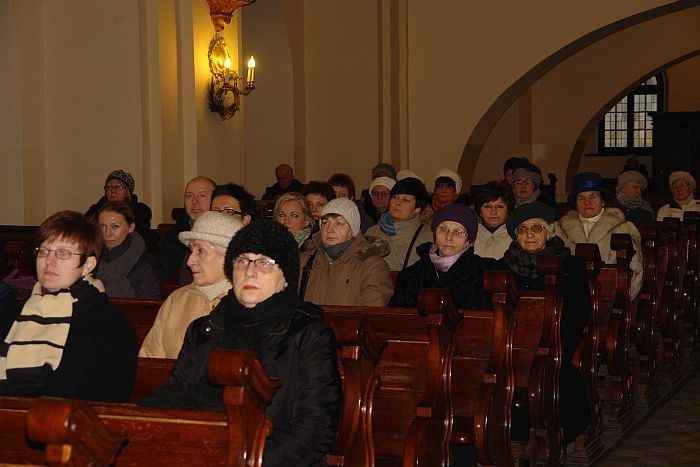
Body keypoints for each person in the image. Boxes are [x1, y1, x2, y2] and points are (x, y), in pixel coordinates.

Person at [142, 220, 342, 466]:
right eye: (242, 261)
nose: (250, 271)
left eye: (265, 263)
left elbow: (314, 429)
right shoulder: (204, 329)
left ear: (286, 278)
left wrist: (248, 462)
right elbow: (175, 397)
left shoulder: (308, 334)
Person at [0, 211, 137, 401]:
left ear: (88, 265)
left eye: (63, 253)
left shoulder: (110, 325)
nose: (49, 261)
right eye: (43, 251)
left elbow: (109, 401)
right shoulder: (12, 315)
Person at [498, 202, 591, 445]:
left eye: (537, 228)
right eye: (522, 229)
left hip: (557, 342)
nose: (529, 234)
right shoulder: (502, 267)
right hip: (512, 346)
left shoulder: (570, 266)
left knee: (555, 372)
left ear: (549, 232)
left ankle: (556, 432)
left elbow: (578, 313)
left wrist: (555, 345)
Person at [140, 212, 243, 359]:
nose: (190, 261)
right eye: (191, 250)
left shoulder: (248, 304)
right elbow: (150, 359)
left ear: (229, 257)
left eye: (201, 251)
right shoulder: (177, 300)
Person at [555, 172, 643, 299]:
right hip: (569, 300)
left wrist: (618, 300)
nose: (587, 202)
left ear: (602, 201)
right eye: (581, 198)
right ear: (576, 204)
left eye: (593, 196)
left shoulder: (623, 228)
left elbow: (634, 270)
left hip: (610, 297)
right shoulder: (560, 229)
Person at [390, 203, 486, 309]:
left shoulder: (481, 272)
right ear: (435, 234)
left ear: (468, 240)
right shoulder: (411, 274)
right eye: (443, 229)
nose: (449, 237)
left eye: (458, 232)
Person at [299, 198, 393, 306]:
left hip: (349, 323)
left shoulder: (372, 266)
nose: (329, 229)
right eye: (325, 223)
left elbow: (371, 311)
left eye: (338, 223)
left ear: (353, 229)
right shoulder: (304, 260)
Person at [94, 202, 162, 299]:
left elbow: (147, 308)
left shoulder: (144, 264)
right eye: (102, 226)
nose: (107, 233)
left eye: (115, 226)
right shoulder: (91, 257)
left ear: (130, 227)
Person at [365, 177, 433, 271]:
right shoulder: (372, 233)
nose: (397, 203)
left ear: (417, 209)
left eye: (406, 200)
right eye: (395, 197)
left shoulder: (429, 236)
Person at [156, 176, 216, 281]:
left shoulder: (223, 234)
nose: (194, 201)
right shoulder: (172, 237)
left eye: (202, 195)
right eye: (189, 196)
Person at [86, 169, 152, 238]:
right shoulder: (96, 209)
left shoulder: (140, 210)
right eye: (109, 187)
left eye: (117, 187)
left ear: (127, 192)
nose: (112, 191)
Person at [473, 180, 514, 260]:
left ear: (508, 211)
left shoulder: (516, 236)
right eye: (487, 206)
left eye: (500, 207)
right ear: (480, 212)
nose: (493, 212)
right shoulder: (470, 234)